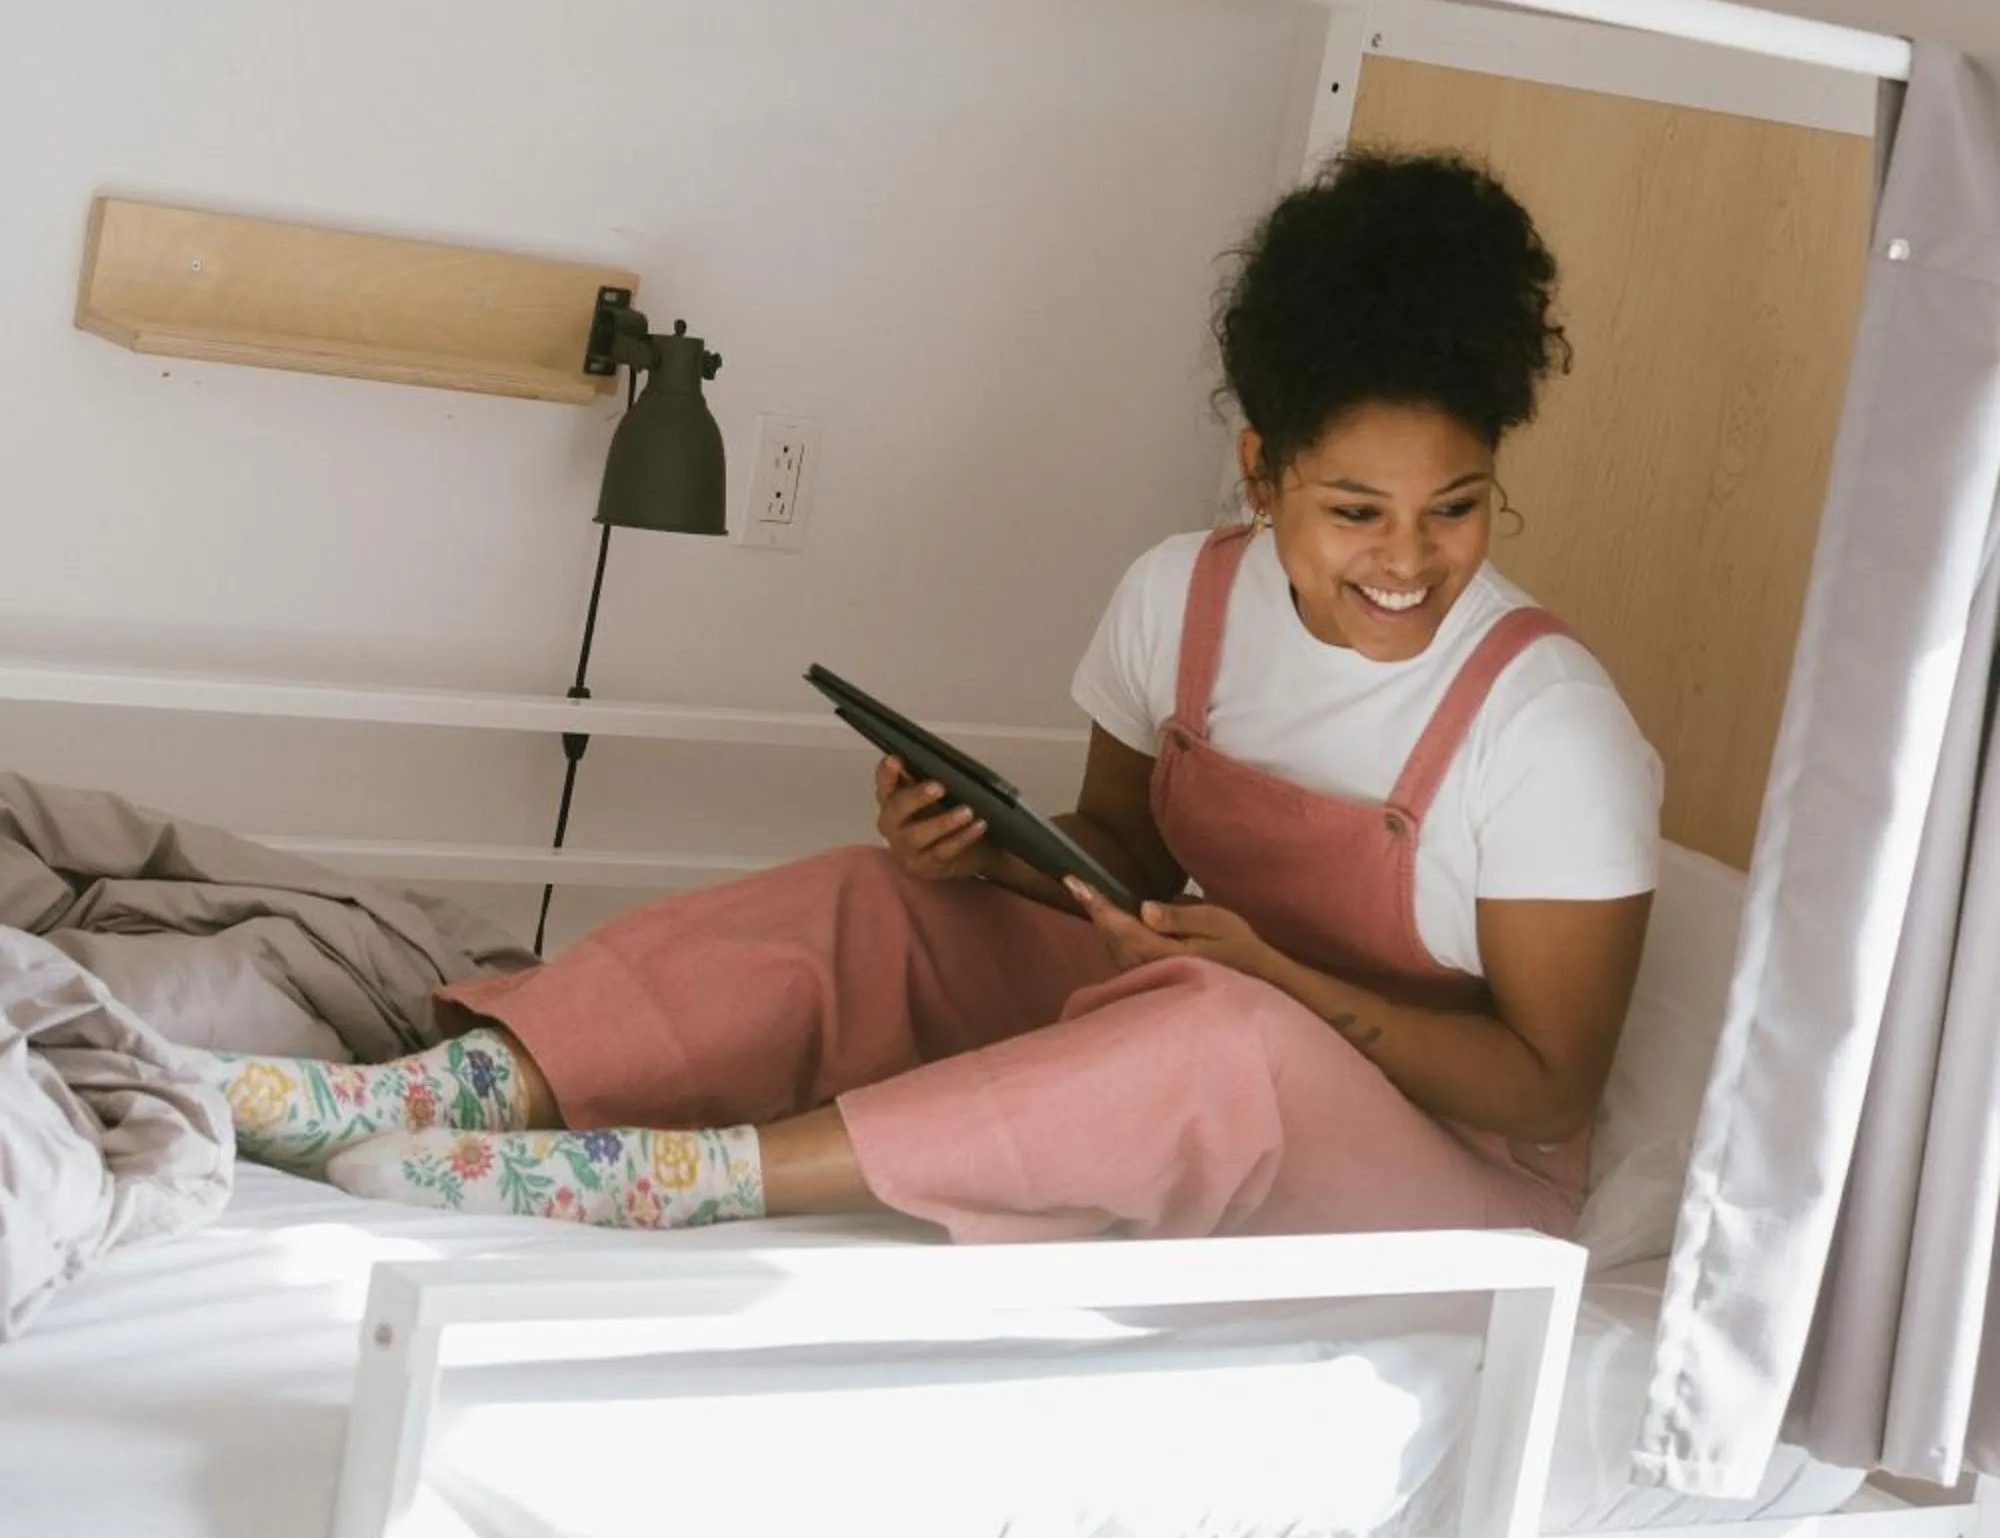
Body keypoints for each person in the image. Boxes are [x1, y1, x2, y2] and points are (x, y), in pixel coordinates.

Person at [224, 149, 1660, 1241]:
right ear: (1262, 473)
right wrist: (985, 854)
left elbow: (1545, 1088)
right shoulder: (1182, 597)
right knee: (876, 900)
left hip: (1441, 1178)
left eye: (1457, 507)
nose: (1408, 561)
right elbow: (1128, 857)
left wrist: (1281, 987)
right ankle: (454, 1091)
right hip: (1205, 1009)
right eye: (1355, 512)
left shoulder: (1547, 727)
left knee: (1220, 1041)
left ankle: (682, 1177)